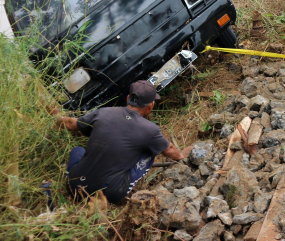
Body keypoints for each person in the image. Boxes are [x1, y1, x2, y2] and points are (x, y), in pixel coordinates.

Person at [56, 81, 189, 204]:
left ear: (127, 99)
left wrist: (55, 117)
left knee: (78, 150)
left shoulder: (103, 113)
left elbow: (70, 123)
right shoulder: (150, 130)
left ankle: (77, 186)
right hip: (108, 193)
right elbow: (169, 149)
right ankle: (123, 194)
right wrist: (181, 156)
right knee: (149, 154)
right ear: (150, 106)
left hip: (74, 186)